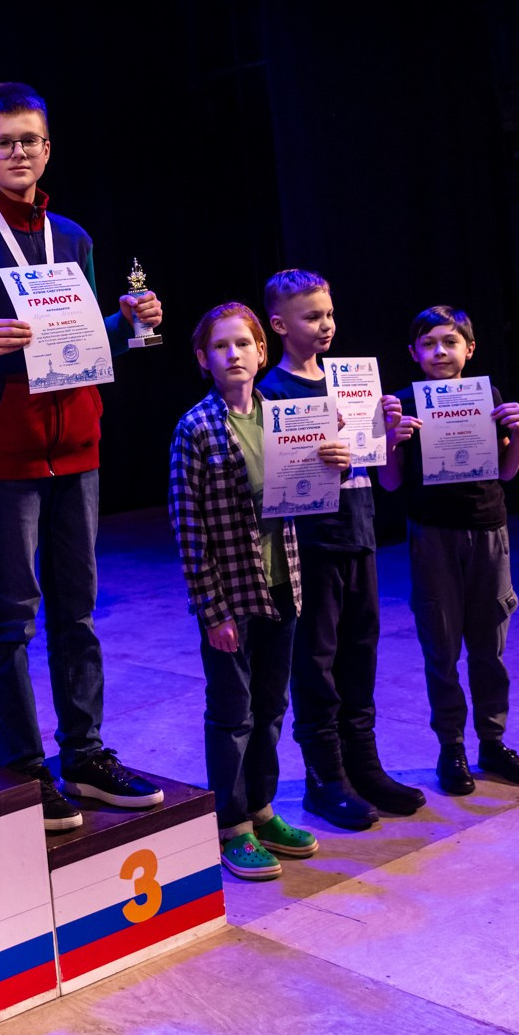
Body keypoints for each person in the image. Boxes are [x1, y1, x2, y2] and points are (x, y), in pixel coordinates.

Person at [0, 82, 167, 832]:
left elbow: (82, 340)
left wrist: (128, 324)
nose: (19, 153)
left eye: (30, 140)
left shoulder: (76, 239)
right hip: (9, 452)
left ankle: (85, 755)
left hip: (80, 449)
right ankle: (25, 767)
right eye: (4, 143)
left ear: (48, 147)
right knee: (11, 616)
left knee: (79, 613)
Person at [168, 302, 350, 880]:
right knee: (232, 714)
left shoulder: (284, 416)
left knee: (272, 708)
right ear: (203, 358)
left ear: (261, 351)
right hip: (231, 597)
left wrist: (337, 463)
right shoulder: (195, 428)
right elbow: (188, 528)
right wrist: (211, 610)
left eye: (243, 344)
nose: (233, 355)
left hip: (283, 586)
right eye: (220, 347)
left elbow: (311, 492)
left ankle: (263, 809)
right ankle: (232, 824)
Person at [256, 270, 426, 828]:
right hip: (309, 547)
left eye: (329, 313)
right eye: (312, 316)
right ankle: (324, 779)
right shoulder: (271, 392)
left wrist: (388, 436)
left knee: (362, 653)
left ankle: (365, 767)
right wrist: (316, 460)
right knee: (317, 663)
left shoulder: (351, 382)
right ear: (280, 325)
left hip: (359, 533)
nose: (326, 324)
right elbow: (268, 481)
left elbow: (373, 465)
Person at [378, 305, 519, 796]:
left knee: (490, 646)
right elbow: (389, 483)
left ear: (470, 348)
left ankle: (492, 742)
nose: (440, 352)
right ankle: (451, 748)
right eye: (429, 344)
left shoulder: (487, 396)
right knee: (441, 648)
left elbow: (507, 473)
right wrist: (390, 440)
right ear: (413, 353)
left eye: (450, 342)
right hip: (432, 536)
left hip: (489, 529)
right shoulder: (403, 403)